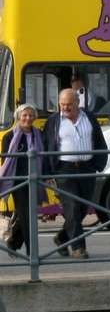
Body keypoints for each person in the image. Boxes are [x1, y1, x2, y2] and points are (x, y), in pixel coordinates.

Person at [43, 88, 107, 259]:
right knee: (71, 206)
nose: (65, 107)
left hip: (87, 167)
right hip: (65, 169)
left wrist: (99, 162)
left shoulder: (89, 117)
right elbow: (46, 145)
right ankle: (78, 248)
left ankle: (61, 238)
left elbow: (99, 140)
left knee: (83, 209)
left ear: (77, 103)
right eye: (62, 104)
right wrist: (47, 172)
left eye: (69, 104)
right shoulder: (54, 121)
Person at [0, 104, 51, 254]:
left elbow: (45, 158)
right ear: (18, 117)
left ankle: (14, 242)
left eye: (30, 115)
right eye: (24, 115)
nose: (27, 118)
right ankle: (31, 252)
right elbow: (6, 160)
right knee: (27, 215)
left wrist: (47, 176)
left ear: (35, 117)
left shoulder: (39, 135)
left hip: (35, 180)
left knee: (29, 215)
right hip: (18, 182)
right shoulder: (10, 136)